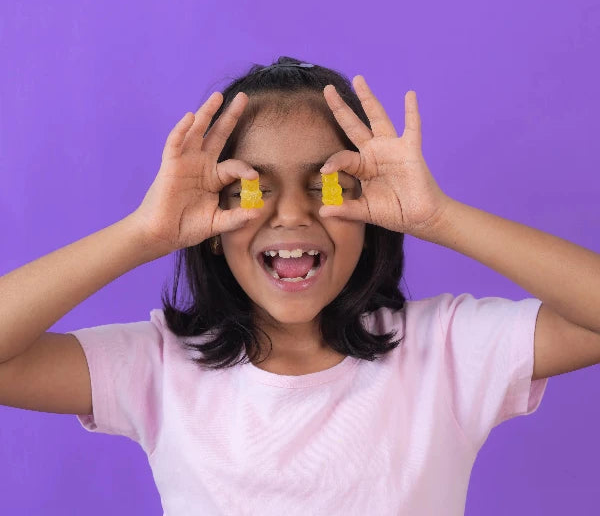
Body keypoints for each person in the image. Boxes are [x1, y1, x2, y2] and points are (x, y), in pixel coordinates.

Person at [3, 55, 599, 515]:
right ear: (210, 225)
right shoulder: (158, 366)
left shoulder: (446, 350)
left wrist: (437, 217)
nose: (291, 214)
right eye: (252, 190)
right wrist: (142, 233)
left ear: (372, 211)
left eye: (327, 185)